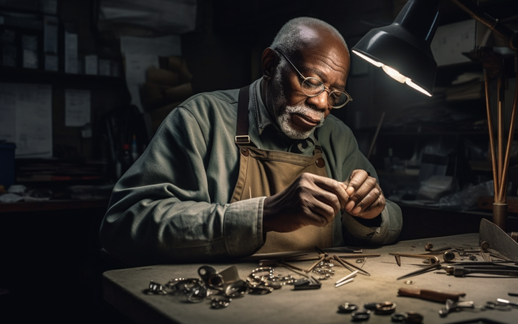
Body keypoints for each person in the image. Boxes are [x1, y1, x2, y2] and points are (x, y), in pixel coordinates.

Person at [100, 17, 403, 266]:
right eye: (311, 82)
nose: (322, 103)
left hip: (318, 301)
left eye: (335, 94)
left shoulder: (337, 135)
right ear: (270, 65)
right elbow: (124, 225)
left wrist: (371, 215)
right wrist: (264, 214)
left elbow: (391, 218)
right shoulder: (200, 119)